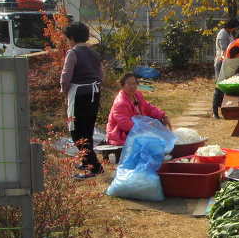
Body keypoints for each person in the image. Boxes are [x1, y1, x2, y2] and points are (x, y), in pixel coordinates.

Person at [60, 21, 104, 179]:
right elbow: (101, 75)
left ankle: (95, 167)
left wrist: (64, 91)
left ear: (72, 38)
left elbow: (66, 76)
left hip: (78, 94)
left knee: (77, 132)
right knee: (88, 130)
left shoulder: (73, 53)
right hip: (94, 93)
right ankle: (86, 161)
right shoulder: (94, 53)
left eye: (67, 39)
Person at [106, 73, 171, 146]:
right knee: (154, 140)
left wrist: (163, 115)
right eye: (129, 84)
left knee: (160, 124)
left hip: (137, 128)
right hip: (121, 134)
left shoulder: (137, 95)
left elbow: (148, 107)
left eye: (134, 83)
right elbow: (125, 125)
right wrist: (145, 127)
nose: (132, 86)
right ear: (123, 85)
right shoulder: (120, 103)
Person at [213, 19, 239, 119]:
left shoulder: (229, 33)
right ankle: (215, 112)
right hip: (221, 62)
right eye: (234, 28)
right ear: (231, 26)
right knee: (219, 86)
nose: (235, 30)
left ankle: (225, 109)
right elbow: (225, 50)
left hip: (227, 63)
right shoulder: (223, 34)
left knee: (225, 86)